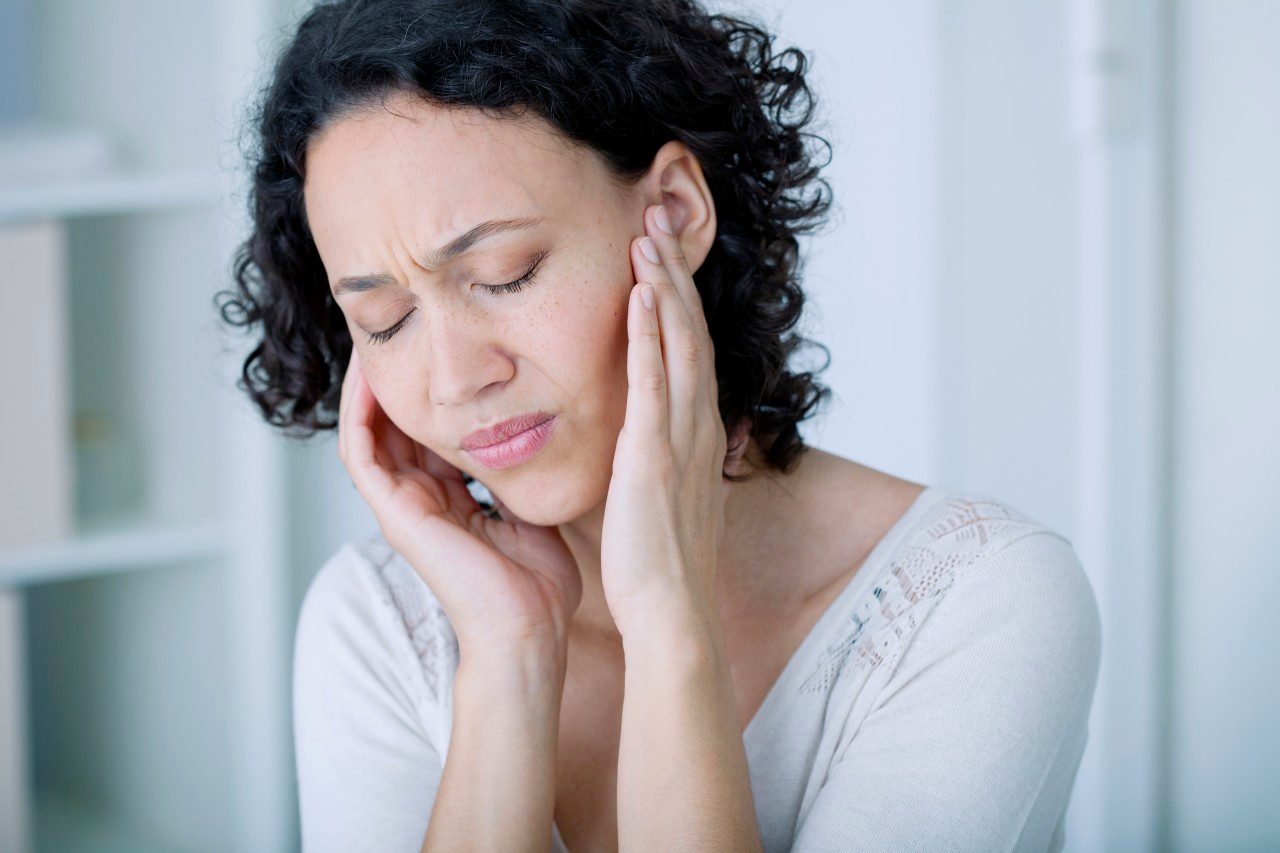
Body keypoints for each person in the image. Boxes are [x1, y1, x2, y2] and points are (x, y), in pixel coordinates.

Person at [216, 0, 1103, 850]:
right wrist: (510, 654)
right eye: (385, 320)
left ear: (673, 213)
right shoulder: (378, 620)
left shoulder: (981, 600)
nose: (453, 379)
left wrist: (670, 619)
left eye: (505, 271)